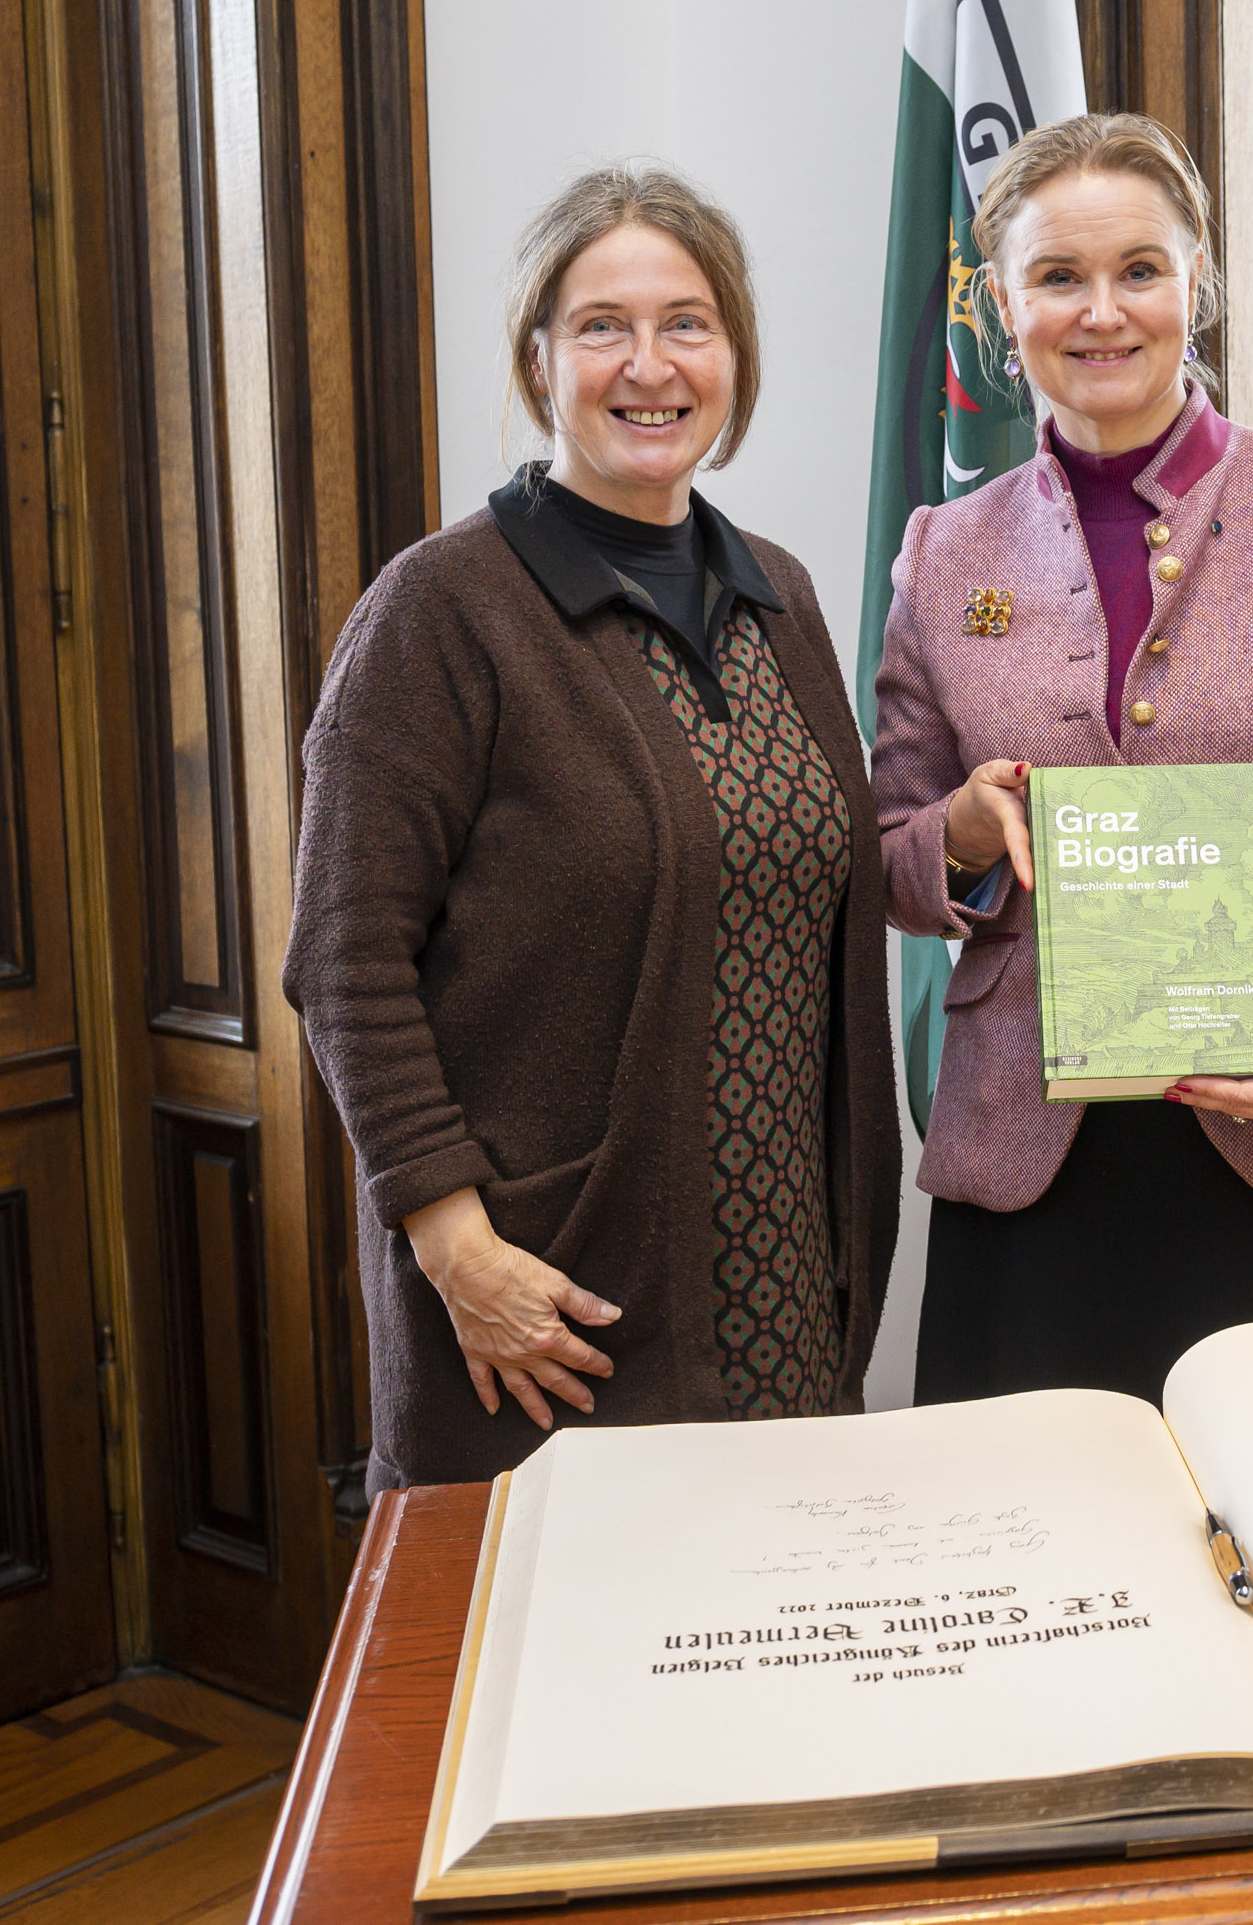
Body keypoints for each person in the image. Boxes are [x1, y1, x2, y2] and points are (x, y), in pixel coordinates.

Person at [284, 163, 899, 1490]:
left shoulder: (780, 596)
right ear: (537, 360)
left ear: (733, 355)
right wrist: (455, 1248)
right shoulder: (440, 611)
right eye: (600, 325)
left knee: (766, 1664)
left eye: (688, 322)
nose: (649, 363)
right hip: (553, 1293)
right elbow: (344, 958)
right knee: (552, 1678)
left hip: (788, 1284)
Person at [872, 112, 1253, 1405]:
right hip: (1039, 1163)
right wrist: (967, 839)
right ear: (998, 302)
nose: (1101, 312)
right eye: (1056, 277)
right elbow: (887, 847)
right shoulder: (946, 551)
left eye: (1138, 270)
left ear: (1196, 279)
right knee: (1055, 1557)